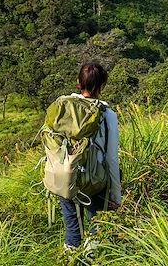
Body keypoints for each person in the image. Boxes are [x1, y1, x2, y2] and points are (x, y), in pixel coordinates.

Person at [58, 61, 121, 251]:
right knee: (96, 227)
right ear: (102, 86)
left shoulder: (63, 106)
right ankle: (92, 258)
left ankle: (68, 260)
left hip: (65, 175)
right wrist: (116, 195)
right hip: (94, 180)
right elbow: (111, 158)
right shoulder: (107, 114)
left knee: (72, 230)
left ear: (78, 82)